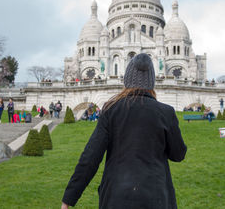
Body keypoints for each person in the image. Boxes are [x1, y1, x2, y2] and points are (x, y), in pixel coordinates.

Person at [61, 53, 187, 208]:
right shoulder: (166, 112)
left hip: (116, 197)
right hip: (156, 198)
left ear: (127, 79)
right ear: (151, 81)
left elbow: (90, 157)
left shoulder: (110, 109)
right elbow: (178, 154)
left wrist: (69, 198)